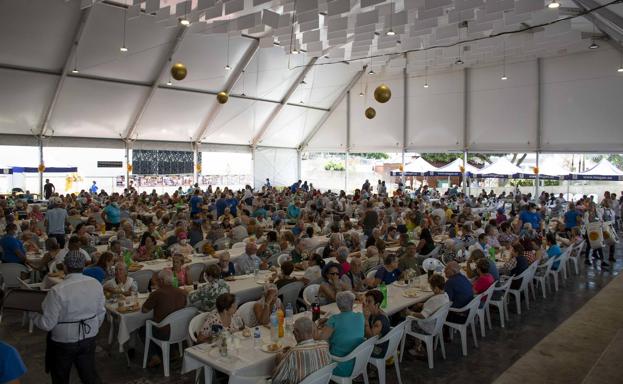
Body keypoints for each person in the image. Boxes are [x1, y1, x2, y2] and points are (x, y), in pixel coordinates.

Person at [32, 251, 106, 384]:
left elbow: (47, 324)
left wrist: (33, 315)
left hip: (63, 341)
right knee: (89, 375)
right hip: (89, 337)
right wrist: (92, 327)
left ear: (65, 267)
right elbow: (101, 312)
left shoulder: (57, 290)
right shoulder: (96, 284)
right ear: (84, 266)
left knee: (61, 377)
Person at [141, 269, 188, 367]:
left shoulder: (157, 294)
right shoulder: (182, 292)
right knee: (169, 322)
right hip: (181, 330)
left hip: (165, 333)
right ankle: (172, 351)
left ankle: (154, 357)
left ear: (161, 281)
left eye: (158, 280)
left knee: (143, 327)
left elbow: (144, 310)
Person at [317, 291, 365, 378]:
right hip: (360, 360)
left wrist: (314, 328)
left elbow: (320, 339)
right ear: (352, 303)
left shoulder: (334, 320)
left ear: (338, 305)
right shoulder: (360, 316)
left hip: (340, 364)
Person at [272, 317, 331, 384]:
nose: (294, 334)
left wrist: (278, 361)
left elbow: (275, 380)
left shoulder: (293, 353)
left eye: (294, 331)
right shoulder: (324, 345)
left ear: (297, 333)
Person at [404, 274, 450, 356]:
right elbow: (433, 307)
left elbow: (422, 316)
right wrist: (423, 304)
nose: (431, 289)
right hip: (438, 324)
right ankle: (418, 345)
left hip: (427, 327)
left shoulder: (434, 301)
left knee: (406, 321)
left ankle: (418, 348)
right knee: (415, 311)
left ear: (436, 288)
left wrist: (409, 313)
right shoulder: (446, 296)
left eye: (431, 287)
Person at [363, 290, 390, 358]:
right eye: (366, 301)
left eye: (369, 302)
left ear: (377, 304)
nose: (366, 304)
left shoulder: (379, 322)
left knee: (353, 348)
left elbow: (370, 337)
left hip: (379, 349)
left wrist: (365, 319)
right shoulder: (375, 312)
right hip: (381, 342)